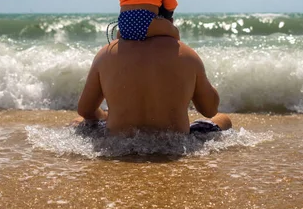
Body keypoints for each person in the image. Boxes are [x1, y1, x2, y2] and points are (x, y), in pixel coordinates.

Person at [74, 37, 232, 135]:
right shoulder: (186, 54)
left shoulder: (106, 54)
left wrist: (104, 115)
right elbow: (210, 110)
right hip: (175, 141)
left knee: (79, 120)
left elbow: (86, 110)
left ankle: (107, 116)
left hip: (119, 138)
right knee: (223, 119)